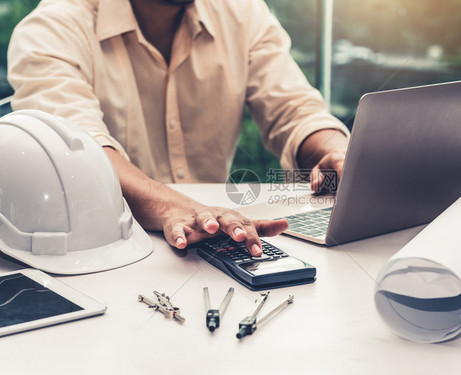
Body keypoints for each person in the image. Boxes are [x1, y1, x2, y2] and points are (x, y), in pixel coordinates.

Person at [7, 0, 349, 256]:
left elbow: (294, 109)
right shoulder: (50, 31)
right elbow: (81, 157)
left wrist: (334, 152)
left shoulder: (242, 12)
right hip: (103, 255)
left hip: (216, 243)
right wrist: (174, 207)